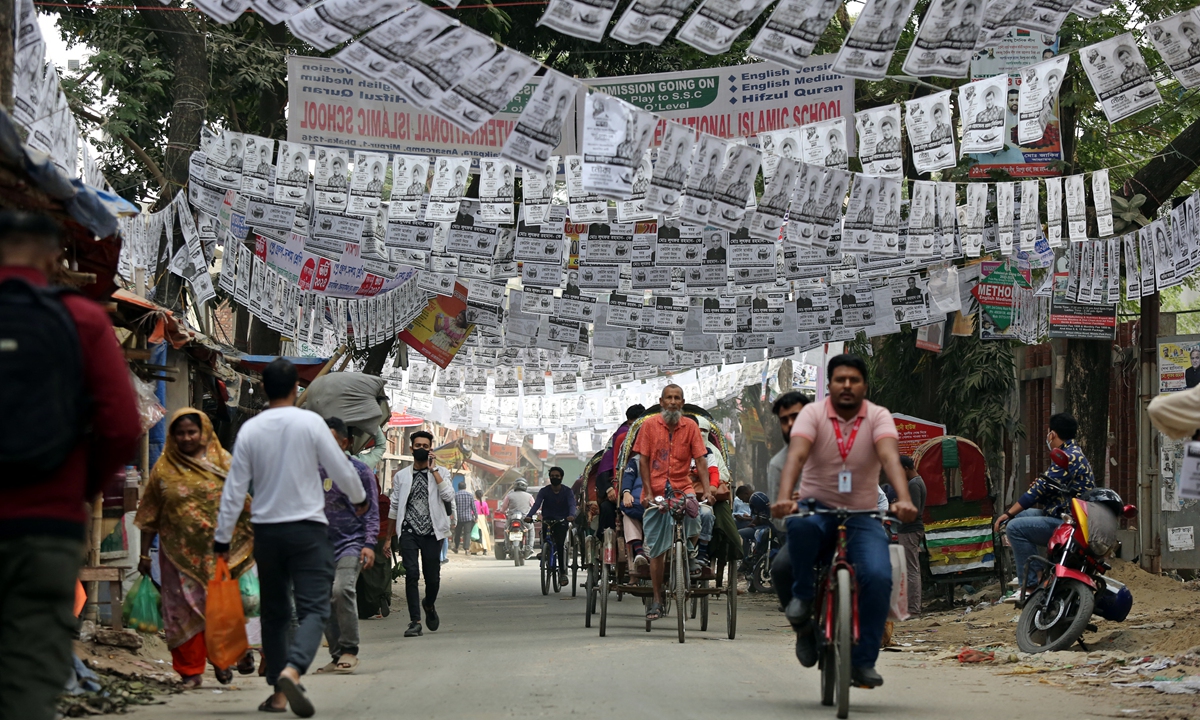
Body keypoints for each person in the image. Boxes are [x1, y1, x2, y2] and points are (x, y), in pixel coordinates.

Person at [0, 211, 141, 720]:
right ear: (53, 255)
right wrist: (79, 490)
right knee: (29, 668)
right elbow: (123, 427)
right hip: (46, 522)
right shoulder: (80, 318)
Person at [214, 358, 368, 717]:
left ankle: (279, 695)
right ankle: (293, 668)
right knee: (314, 606)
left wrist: (222, 539)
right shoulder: (311, 424)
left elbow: (235, 490)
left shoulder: (251, 430)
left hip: (267, 533)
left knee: (275, 612)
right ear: (297, 388)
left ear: (265, 389)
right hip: (309, 531)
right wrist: (359, 500)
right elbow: (340, 468)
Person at [771, 354, 917, 689]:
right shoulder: (812, 415)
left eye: (854, 380)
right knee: (800, 526)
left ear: (864, 385)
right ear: (831, 385)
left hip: (863, 516)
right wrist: (784, 495)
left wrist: (904, 499)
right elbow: (796, 454)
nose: (847, 386)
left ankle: (864, 662)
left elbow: (889, 457)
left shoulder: (878, 417)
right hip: (817, 508)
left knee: (879, 577)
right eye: (840, 380)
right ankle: (803, 602)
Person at [135, 409, 255, 688]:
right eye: (180, 433)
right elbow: (151, 513)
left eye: (192, 432)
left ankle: (222, 660)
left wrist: (248, 539)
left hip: (217, 554)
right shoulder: (163, 468)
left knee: (218, 610)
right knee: (180, 613)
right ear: (172, 436)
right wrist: (143, 554)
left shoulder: (224, 462)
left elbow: (243, 504)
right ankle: (190, 672)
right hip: (176, 556)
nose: (187, 438)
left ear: (204, 433)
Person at [994, 413, 1095, 603]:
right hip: (1062, 513)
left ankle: (1031, 584)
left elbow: (1036, 492)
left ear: (1053, 434)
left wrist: (1006, 513)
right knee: (1020, 517)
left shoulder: (1067, 456)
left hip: (1068, 523)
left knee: (1014, 526)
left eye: (1049, 433)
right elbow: (1050, 488)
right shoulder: (1072, 453)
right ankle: (1036, 573)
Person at [634, 385, 711, 621]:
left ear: (683, 402)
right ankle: (657, 599)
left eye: (677, 398)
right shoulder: (648, 425)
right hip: (656, 490)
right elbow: (644, 461)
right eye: (669, 398)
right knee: (656, 551)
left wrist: (707, 490)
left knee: (698, 513)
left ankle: (688, 552)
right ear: (661, 401)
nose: (673, 402)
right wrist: (647, 491)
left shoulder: (690, 427)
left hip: (682, 488)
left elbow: (700, 460)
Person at [316, 417, 379, 675]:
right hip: (318, 546)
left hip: (350, 544)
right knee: (322, 599)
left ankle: (350, 650)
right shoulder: (311, 470)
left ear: (346, 442)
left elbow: (372, 511)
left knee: (341, 591)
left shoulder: (360, 471)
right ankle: (335, 654)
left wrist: (370, 544)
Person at [387, 430, 455, 637]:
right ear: (411, 448)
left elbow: (448, 495)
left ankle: (429, 604)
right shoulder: (401, 476)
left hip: (433, 532)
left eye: (425, 446)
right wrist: (389, 538)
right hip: (408, 530)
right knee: (412, 574)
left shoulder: (441, 473)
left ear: (430, 449)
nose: (421, 449)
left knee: (432, 578)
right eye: (418, 446)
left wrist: (433, 471)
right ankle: (414, 621)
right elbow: (395, 506)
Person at [595, 405, 643, 537]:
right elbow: (605, 467)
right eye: (632, 424)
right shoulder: (621, 437)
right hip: (619, 487)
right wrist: (610, 488)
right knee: (608, 508)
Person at [526, 467, 578, 586]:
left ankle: (563, 573)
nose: (554, 478)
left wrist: (571, 515)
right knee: (544, 536)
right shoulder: (544, 491)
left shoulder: (567, 491)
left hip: (562, 520)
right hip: (548, 519)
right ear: (550, 477)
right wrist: (529, 515)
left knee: (560, 545)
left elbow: (572, 505)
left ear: (561, 477)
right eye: (552, 476)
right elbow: (537, 504)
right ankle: (544, 551)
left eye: (557, 476)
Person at [895, 456, 927, 617]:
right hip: (909, 529)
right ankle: (911, 607)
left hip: (910, 529)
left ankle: (913, 608)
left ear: (906, 468)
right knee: (910, 568)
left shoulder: (914, 484)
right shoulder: (915, 483)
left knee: (911, 569)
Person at [501, 479, 536, 557]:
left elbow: (503, 508)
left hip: (511, 518)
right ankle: (530, 547)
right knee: (531, 530)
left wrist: (503, 512)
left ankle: (507, 546)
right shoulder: (529, 496)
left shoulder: (509, 496)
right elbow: (534, 507)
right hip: (525, 519)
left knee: (506, 529)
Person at [452, 481, 477, 554]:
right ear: (465, 487)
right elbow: (473, 507)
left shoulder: (455, 495)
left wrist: (452, 516)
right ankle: (466, 549)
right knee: (467, 533)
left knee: (458, 533)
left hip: (458, 517)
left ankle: (456, 547)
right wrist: (476, 516)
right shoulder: (470, 495)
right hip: (468, 518)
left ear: (458, 487)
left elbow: (453, 507)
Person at [471, 490, 491, 555]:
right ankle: (485, 548)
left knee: (475, 533)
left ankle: (474, 549)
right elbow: (487, 513)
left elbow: (472, 512)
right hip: (483, 518)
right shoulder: (485, 503)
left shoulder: (474, 503)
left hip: (476, 518)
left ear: (475, 495)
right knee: (484, 533)